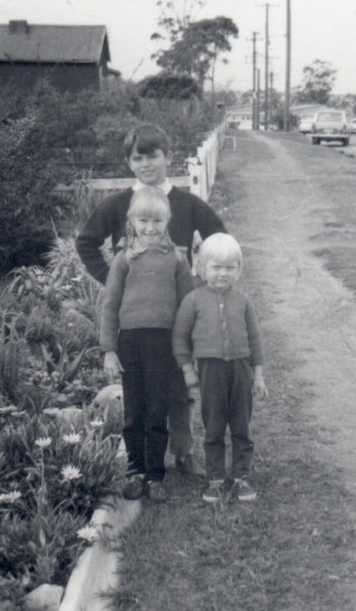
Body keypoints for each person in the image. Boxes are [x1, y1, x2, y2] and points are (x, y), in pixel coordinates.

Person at [77, 123, 226, 477]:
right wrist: (112, 279)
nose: (146, 164)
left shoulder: (187, 203)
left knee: (178, 384)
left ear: (168, 157)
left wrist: (203, 283)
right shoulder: (118, 205)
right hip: (135, 322)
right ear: (129, 163)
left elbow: (220, 241)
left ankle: (184, 450)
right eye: (137, 158)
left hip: (177, 313)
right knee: (142, 390)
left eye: (153, 156)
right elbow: (86, 243)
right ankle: (140, 461)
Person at [98, 186, 195, 502]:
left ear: (167, 220)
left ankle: (155, 475)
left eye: (157, 221)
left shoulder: (176, 260)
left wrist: (185, 347)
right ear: (132, 221)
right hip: (130, 344)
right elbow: (110, 305)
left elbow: (187, 305)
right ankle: (134, 472)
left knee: (157, 409)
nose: (150, 228)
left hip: (162, 344)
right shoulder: (124, 260)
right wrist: (110, 350)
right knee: (134, 412)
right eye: (144, 221)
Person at [172, 233, 269, 503]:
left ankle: (241, 476)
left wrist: (258, 376)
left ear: (239, 269)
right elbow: (180, 337)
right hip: (210, 371)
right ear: (202, 268)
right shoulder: (193, 300)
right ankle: (214, 478)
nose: (223, 274)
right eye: (216, 267)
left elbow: (255, 339)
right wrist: (188, 369)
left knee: (241, 426)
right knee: (213, 426)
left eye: (230, 267)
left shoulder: (243, 301)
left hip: (241, 371)